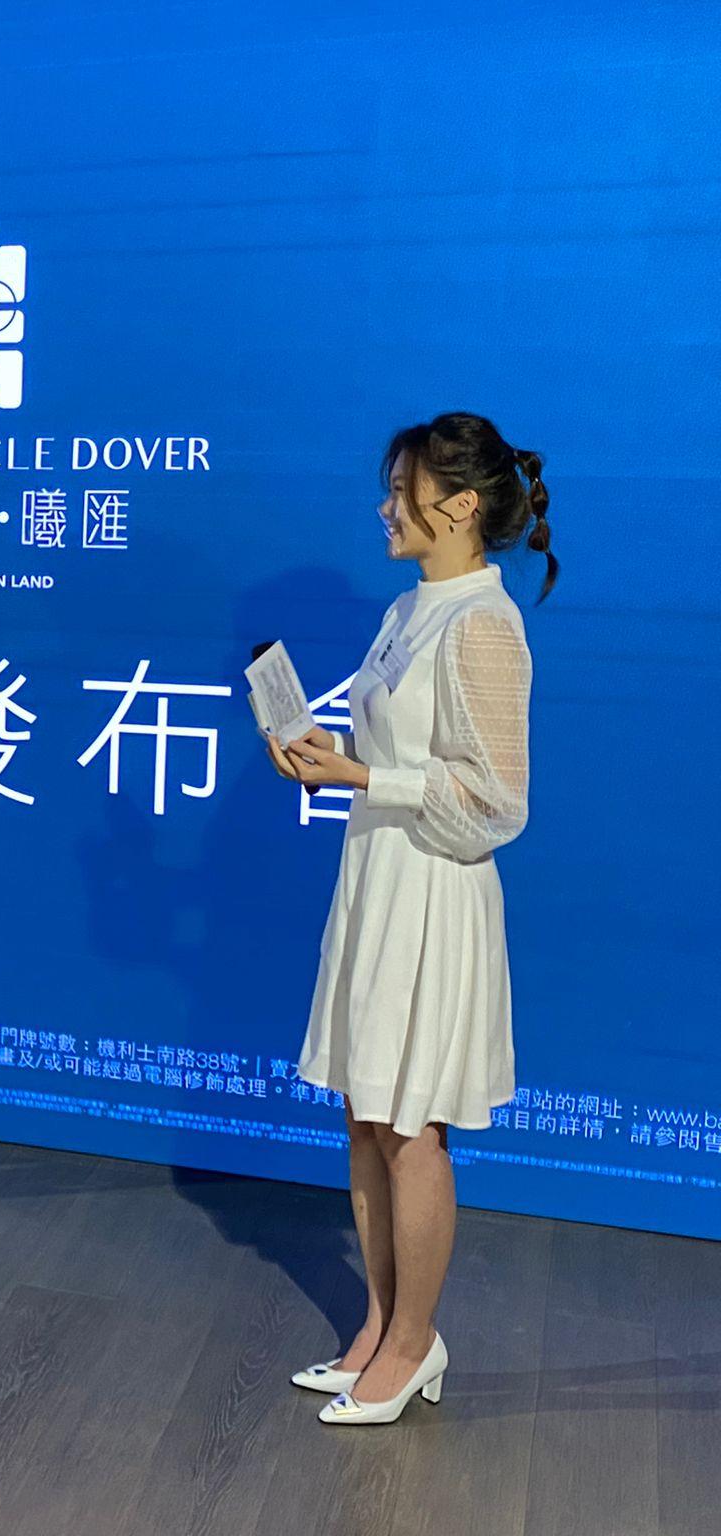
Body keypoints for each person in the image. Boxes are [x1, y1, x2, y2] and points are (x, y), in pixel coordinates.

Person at [267, 412, 553, 1425]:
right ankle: (379, 1328)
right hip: (379, 877)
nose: (385, 507)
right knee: (364, 1110)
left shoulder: (483, 622)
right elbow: (400, 753)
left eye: (403, 491)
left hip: (433, 890)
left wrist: (363, 777)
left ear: (461, 505)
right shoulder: (408, 609)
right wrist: (328, 756)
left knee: (408, 1125)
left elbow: (496, 804)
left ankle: (413, 1340)